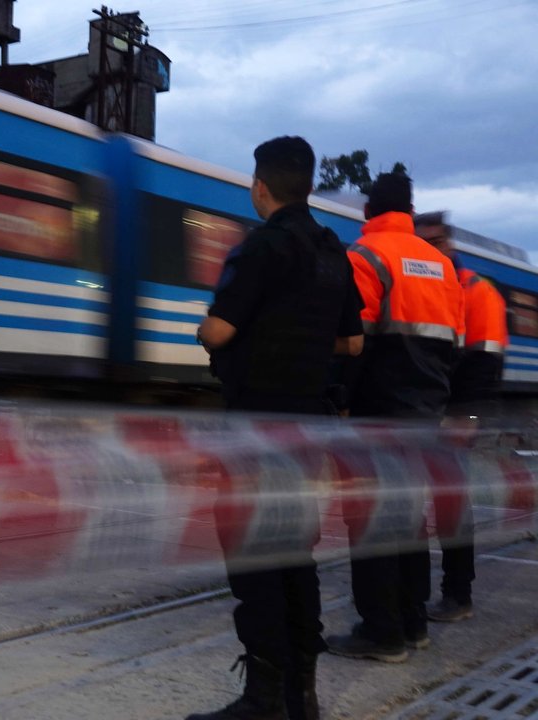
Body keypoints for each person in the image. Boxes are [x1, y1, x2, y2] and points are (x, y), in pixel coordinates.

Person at [189, 136, 364, 720]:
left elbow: (220, 331)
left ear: (260, 186)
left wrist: (207, 328)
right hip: (308, 425)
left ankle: (264, 698)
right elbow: (352, 342)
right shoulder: (333, 252)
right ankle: (301, 695)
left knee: (253, 555)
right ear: (309, 186)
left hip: (255, 425)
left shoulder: (262, 247)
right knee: (294, 552)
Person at [326, 174, 465, 663]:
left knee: (370, 517)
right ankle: (412, 622)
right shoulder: (443, 266)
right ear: (409, 211)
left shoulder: (365, 255)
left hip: (377, 410)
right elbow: (455, 344)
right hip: (426, 410)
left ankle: (381, 632)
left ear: (369, 210)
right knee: (409, 516)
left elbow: (355, 341)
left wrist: (341, 400)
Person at [414, 210, 508, 623]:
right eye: (422, 243)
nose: (429, 250)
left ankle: (457, 593)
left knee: (450, 501)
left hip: (455, 414)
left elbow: (485, 361)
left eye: (435, 242)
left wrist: (464, 418)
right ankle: (419, 593)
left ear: (449, 244)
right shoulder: (430, 286)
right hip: (427, 411)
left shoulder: (477, 291)